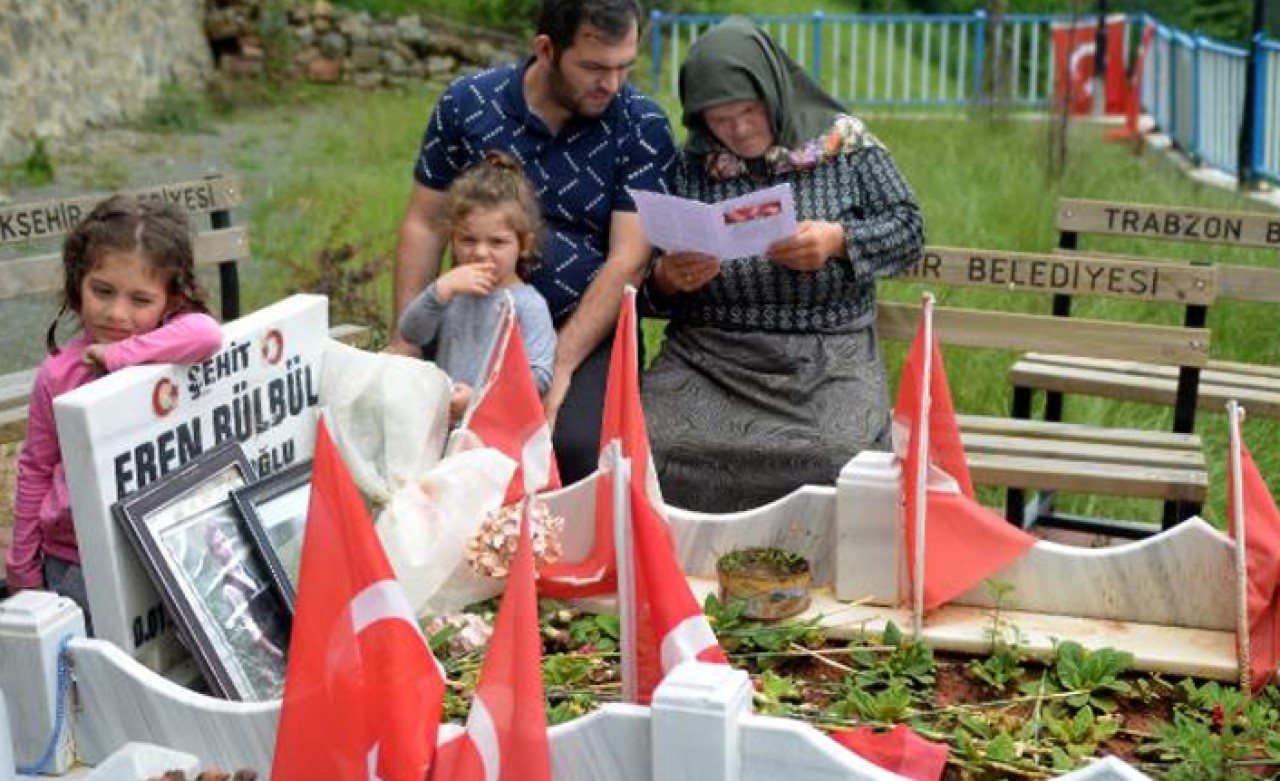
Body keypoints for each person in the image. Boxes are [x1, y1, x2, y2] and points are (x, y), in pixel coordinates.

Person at [642, 17, 924, 513]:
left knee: (836, 459)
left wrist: (839, 240)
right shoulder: (689, 165)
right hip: (708, 357)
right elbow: (642, 283)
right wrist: (666, 279)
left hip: (825, 359)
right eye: (719, 118)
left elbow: (909, 232)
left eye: (750, 111)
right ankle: (682, 573)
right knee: (648, 445)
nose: (739, 129)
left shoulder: (846, 148)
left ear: (773, 92)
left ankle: (815, 578)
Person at [392, 0, 676, 482]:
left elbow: (629, 258)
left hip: (583, 329)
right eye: (593, 67)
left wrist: (559, 365)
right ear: (546, 49)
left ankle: (556, 555)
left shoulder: (642, 125)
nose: (612, 84)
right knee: (421, 438)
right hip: (470, 316)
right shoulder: (468, 105)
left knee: (574, 447)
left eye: (623, 67)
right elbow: (424, 222)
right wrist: (405, 345)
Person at [5, 196, 224, 626]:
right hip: (75, 558)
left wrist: (121, 355)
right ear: (77, 284)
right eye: (101, 291)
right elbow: (35, 468)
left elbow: (207, 333)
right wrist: (22, 565)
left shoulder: (169, 351)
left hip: (162, 549)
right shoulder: (58, 375)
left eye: (141, 299)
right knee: (87, 673)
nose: (116, 312)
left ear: (172, 301)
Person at [398, 151, 556, 422]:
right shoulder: (453, 293)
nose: (481, 253)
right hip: (442, 422)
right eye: (468, 240)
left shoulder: (528, 305)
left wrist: (480, 398)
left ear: (524, 245)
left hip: (498, 429)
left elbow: (539, 375)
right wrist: (440, 290)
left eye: (497, 242)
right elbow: (411, 333)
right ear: (453, 238)